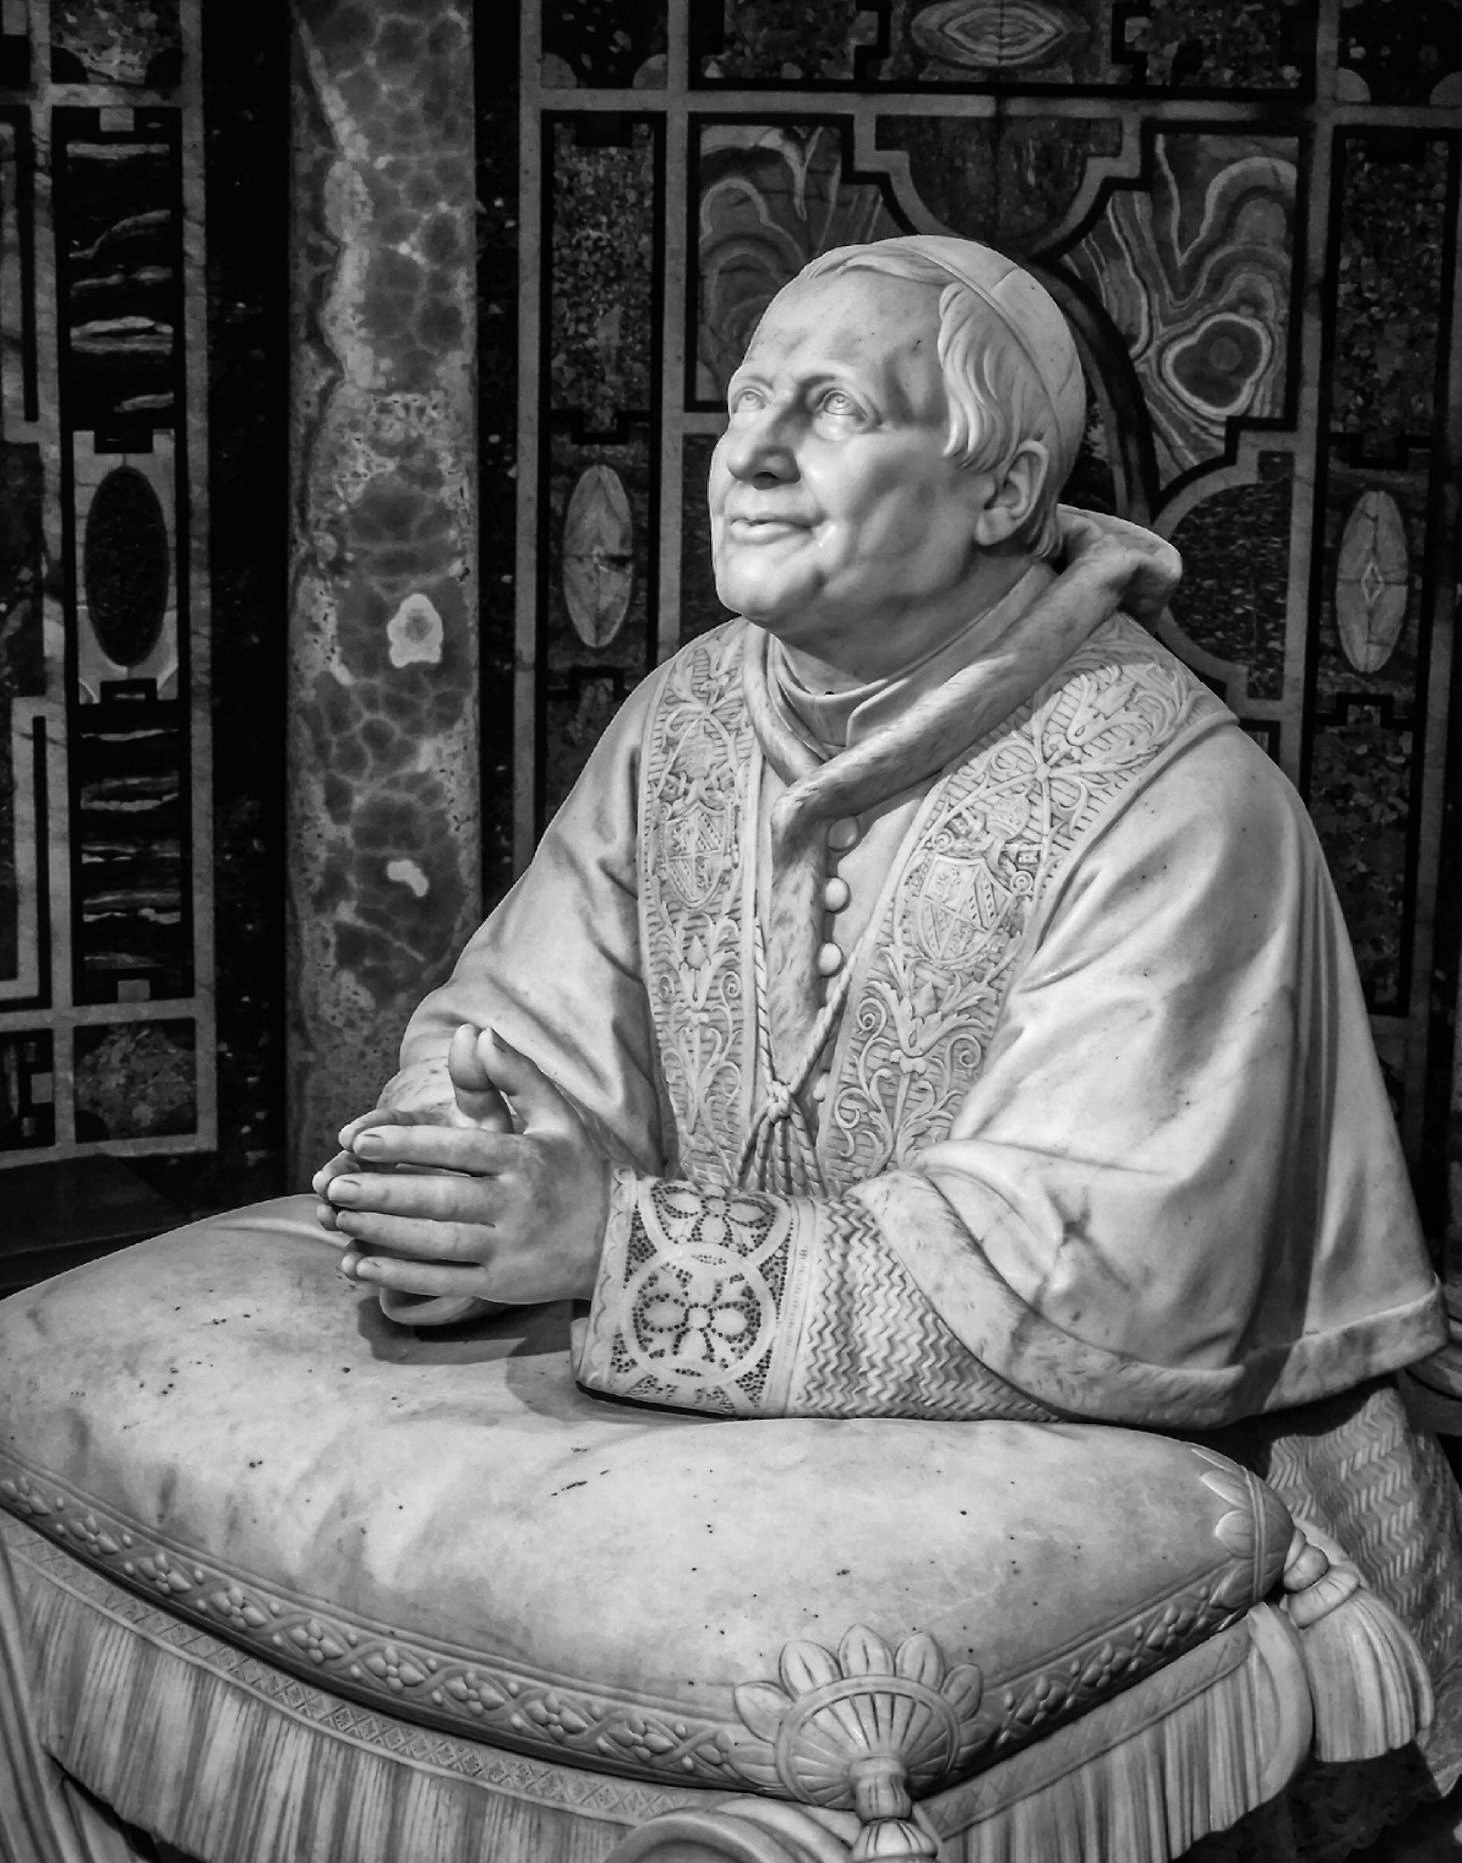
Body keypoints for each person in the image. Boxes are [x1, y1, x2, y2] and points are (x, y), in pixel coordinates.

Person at [314, 235, 1462, 1838]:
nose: (753, 457)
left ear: (995, 494)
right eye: (743, 405)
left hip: (1150, 1474)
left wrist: (622, 1250)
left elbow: (1096, 1271)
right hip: (745, 1470)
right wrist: (460, 1166)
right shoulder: (694, 715)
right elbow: (518, 1023)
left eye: (831, 409)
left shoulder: (1179, 801)